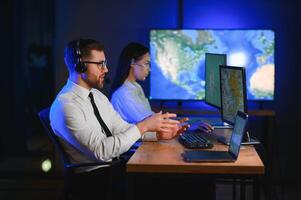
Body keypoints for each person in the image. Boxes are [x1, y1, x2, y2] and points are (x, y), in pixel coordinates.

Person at [49, 39, 188, 199]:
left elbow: (122, 129)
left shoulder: (97, 96)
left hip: (113, 170)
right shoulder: (66, 106)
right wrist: (143, 126)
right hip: (95, 182)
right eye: (100, 64)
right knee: (177, 186)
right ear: (80, 66)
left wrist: (156, 136)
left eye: (105, 63)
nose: (106, 69)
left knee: (180, 184)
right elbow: (102, 152)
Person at [110, 42, 214, 139]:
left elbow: (151, 120)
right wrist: (186, 126)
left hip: (145, 141)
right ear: (132, 62)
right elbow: (150, 124)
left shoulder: (135, 87)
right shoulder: (124, 94)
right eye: (146, 63)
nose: (149, 69)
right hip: (136, 150)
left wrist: (182, 125)